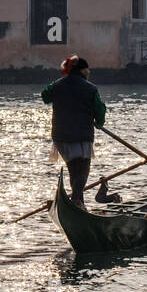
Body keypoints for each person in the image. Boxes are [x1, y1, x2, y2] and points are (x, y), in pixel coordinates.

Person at [40, 55, 108, 209]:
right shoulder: (90, 88)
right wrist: (99, 122)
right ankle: (76, 200)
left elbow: (45, 96)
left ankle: (79, 204)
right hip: (81, 135)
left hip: (61, 136)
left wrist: (56, 85)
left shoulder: (57, 85)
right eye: (87, 69)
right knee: (83, 169)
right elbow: (100, 110)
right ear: (83, 70)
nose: (89, 72)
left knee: (73, 170)